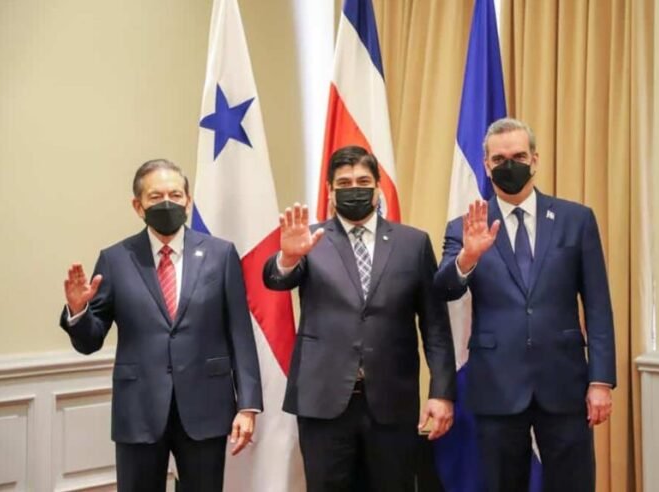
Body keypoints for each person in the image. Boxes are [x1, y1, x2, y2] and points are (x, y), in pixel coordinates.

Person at [434, 118, 616, 492]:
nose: (509, 165)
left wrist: (600, 381)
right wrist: (468, 257)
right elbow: (444, 289)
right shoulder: (465, 227)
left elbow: (598, 305)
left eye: (518, 156)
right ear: (486, 166)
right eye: (499, 159)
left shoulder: (576, 219)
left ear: (534, 159)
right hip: (497, 385)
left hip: (564, 383)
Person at [60, 159, 262, 492]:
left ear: (188, 201)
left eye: (175, 195)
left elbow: (240, 333)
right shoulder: (115, 259)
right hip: (138, 410)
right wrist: (79, 310)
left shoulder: (220, 254)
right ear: (138, 206)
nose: (167, 203)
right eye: (155, 197)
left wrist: (248, 405)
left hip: (206, 406)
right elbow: (89, 342)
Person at [263, 146, 456, 492]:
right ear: (330, 191)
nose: (355, 188)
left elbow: (436, 327)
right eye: (345, 183)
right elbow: (276, 279)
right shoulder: (310, 239)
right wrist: (287, 258)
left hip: (392, 401)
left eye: (364, 181)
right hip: (324, 402)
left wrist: (441, 393)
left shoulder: (412, 243)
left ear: (379, 187)